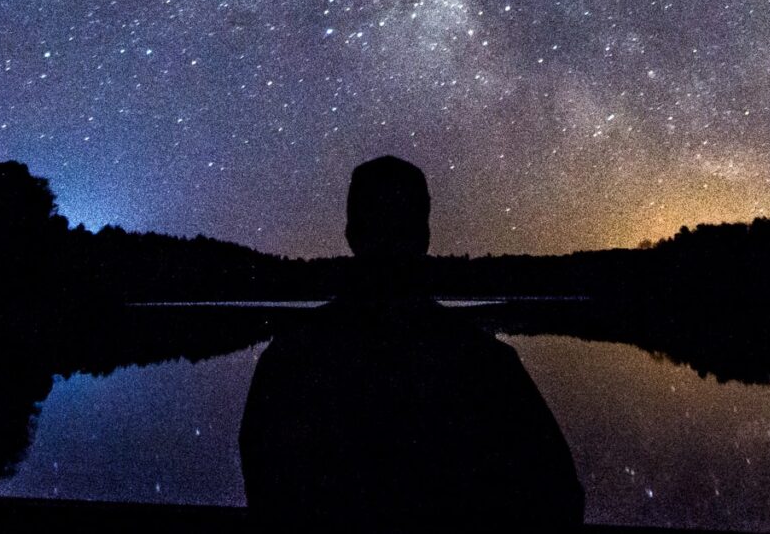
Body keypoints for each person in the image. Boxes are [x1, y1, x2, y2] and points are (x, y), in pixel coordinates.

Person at [237, 156, 583, 528]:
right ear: (425, 237)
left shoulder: (291, 358)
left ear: (351, 234)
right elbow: (558, 496)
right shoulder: (485, 362)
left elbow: (264, 481)